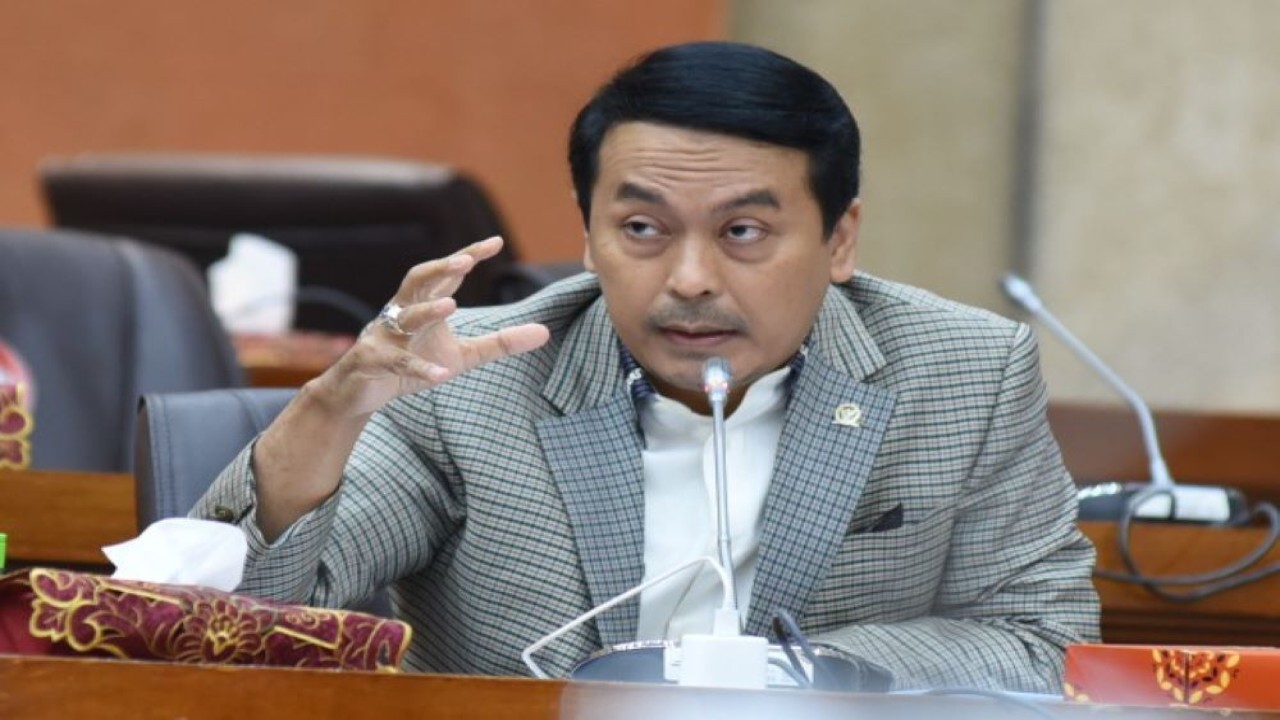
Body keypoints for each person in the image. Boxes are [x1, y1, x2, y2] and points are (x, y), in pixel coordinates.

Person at [193, 41, 1099, 691]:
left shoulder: (965, 373)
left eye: (743, 231)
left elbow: (1039, 645)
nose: (691, 279)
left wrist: (782, 675)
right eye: (642, 228)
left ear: (839, 239)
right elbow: (235, 619)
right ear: (590, 236)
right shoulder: (468, 379)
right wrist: (331, 408)